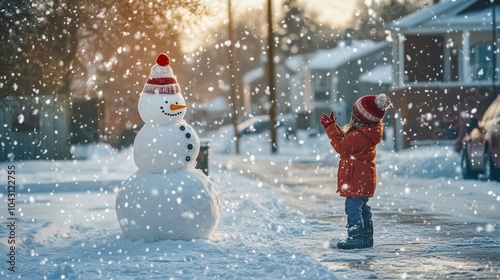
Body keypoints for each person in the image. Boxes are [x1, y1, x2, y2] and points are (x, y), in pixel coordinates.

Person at [320, 94, 392, 249]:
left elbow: (341, 146)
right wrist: (336, 128)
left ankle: (355, 238)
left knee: (352, 208)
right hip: (362, 180)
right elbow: (347, 143)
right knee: (362, 207)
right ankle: (366, 238)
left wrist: (331, 128)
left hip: (356, 179)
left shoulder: (358, 136)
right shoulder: (365, 133)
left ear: (359, 117)